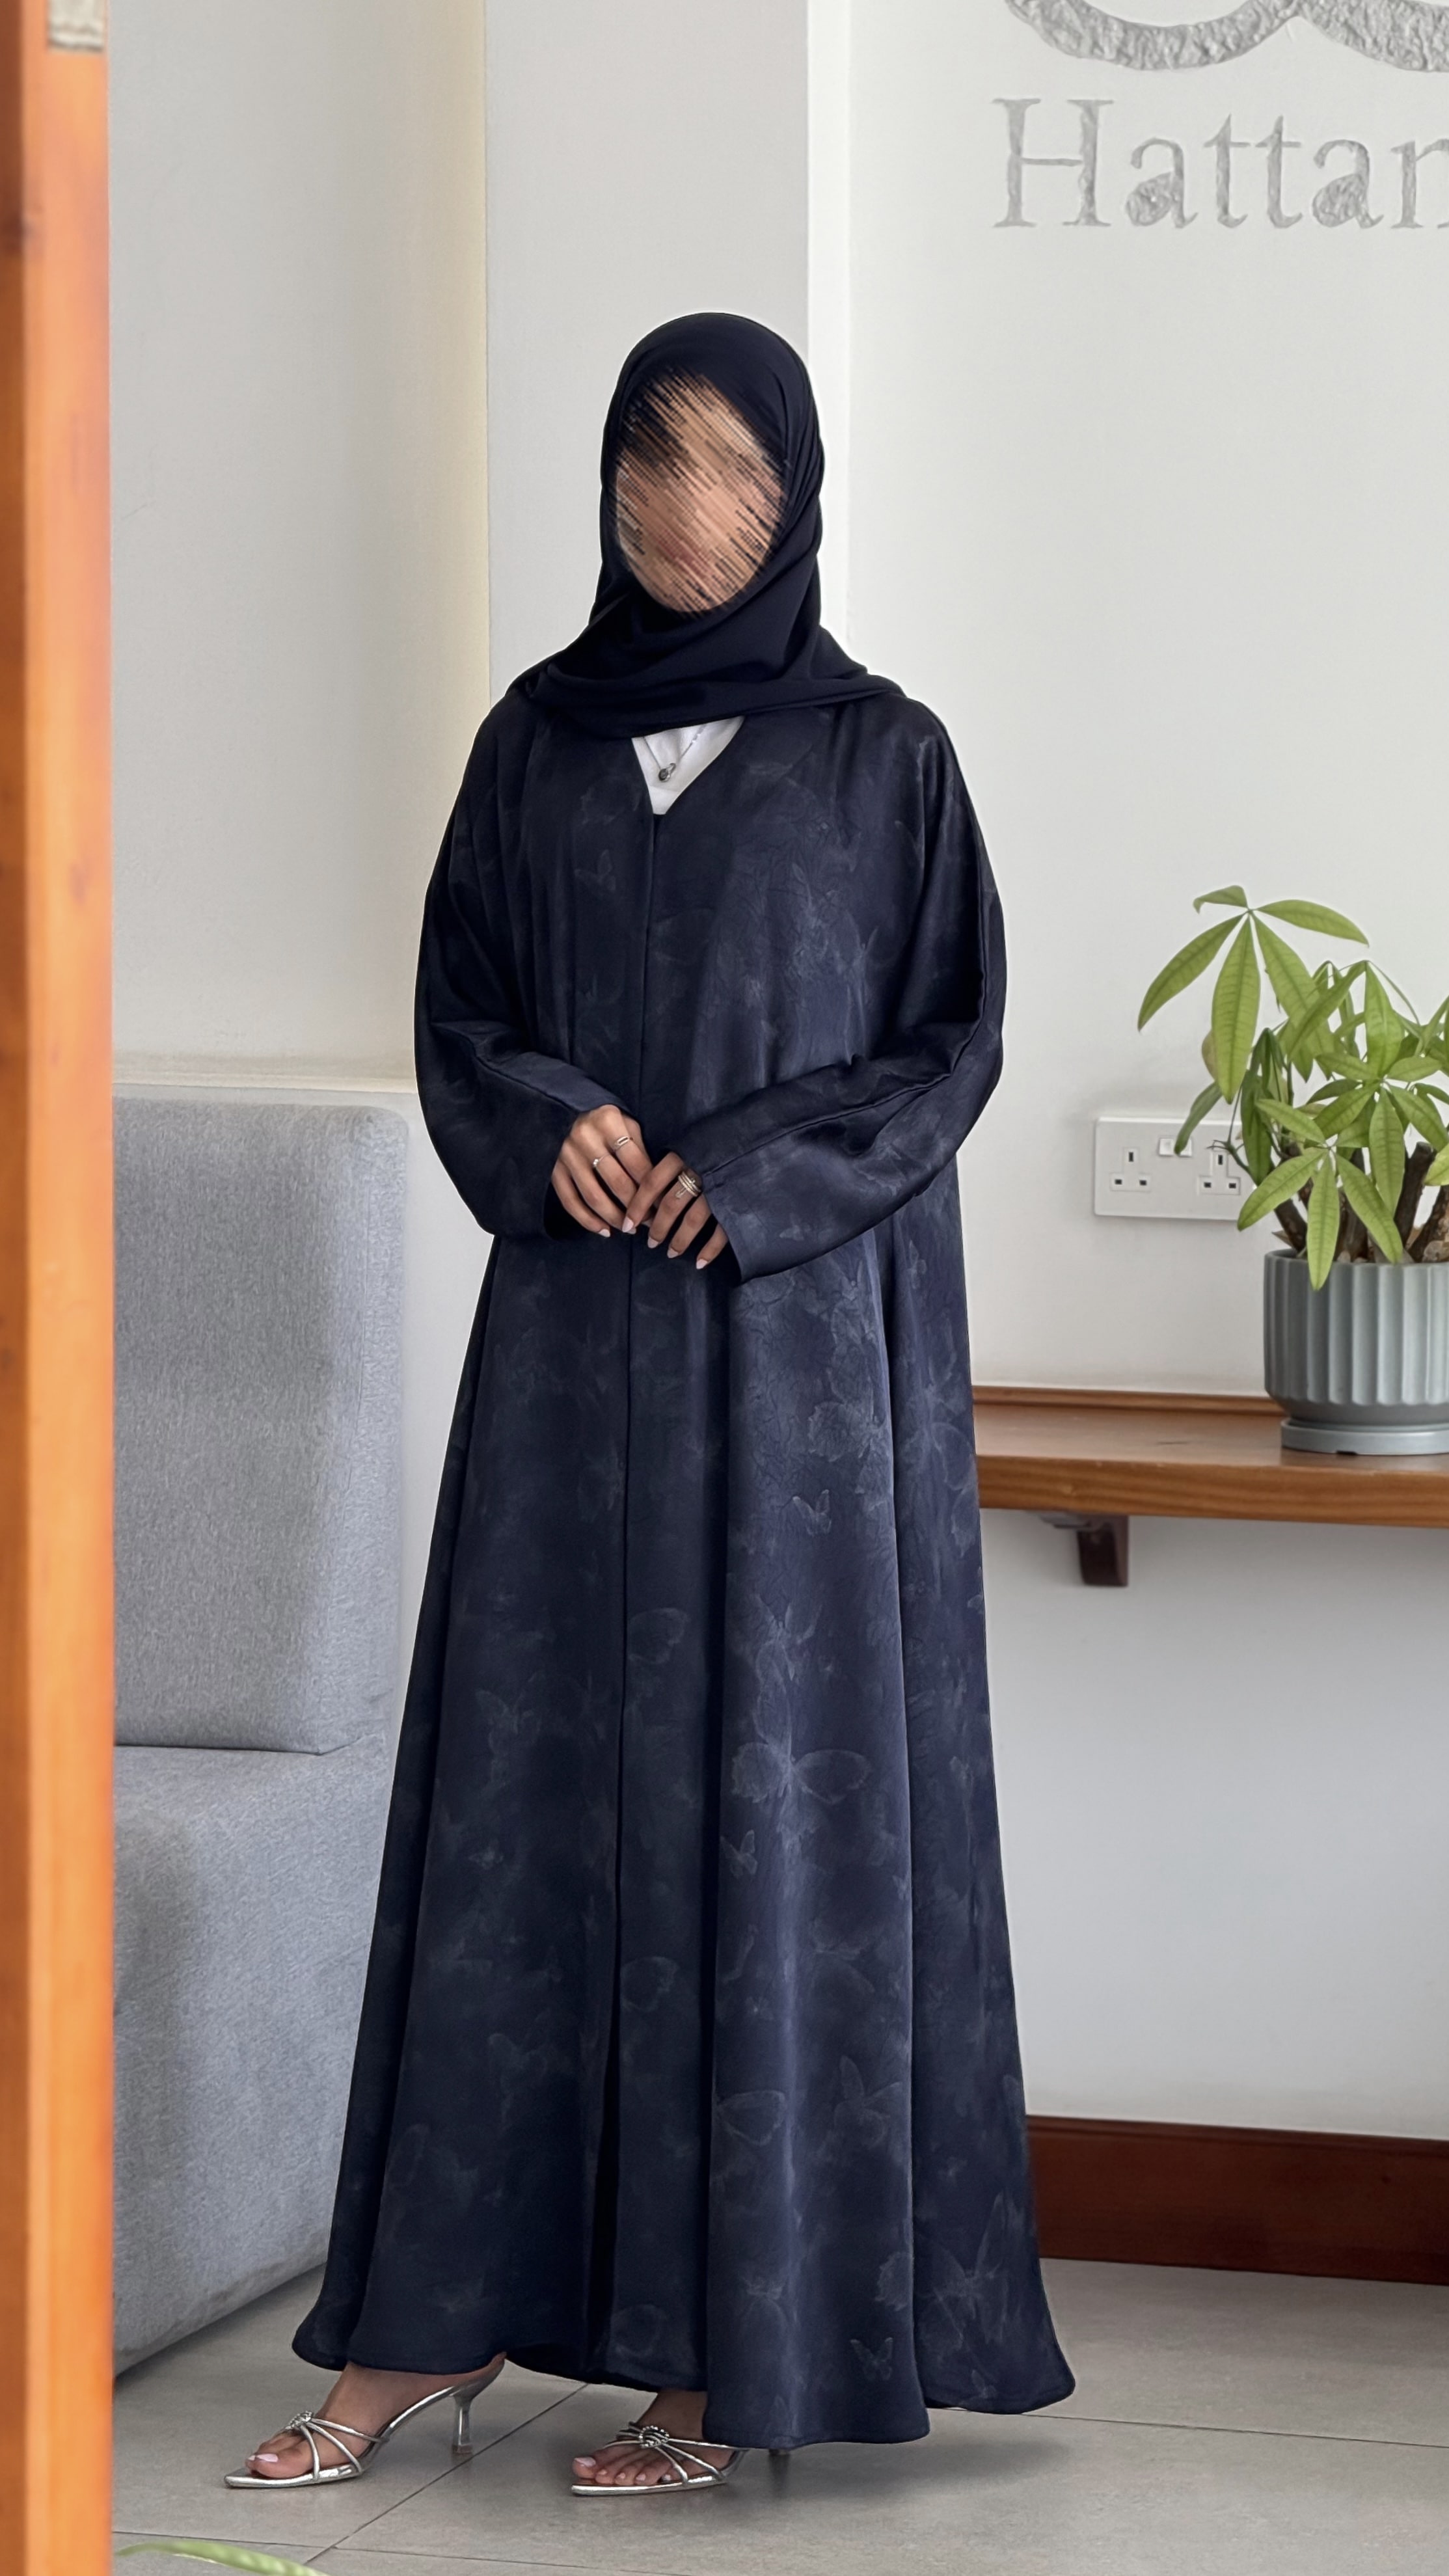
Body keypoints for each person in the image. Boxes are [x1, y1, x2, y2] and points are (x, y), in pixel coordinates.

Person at [230, 312, 1072, 2499]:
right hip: (570, 1379)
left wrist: (753, 1171)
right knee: (521, 1811)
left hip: (792, 1394)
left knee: (760, 1811)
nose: (680, 508)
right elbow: (463, 1011)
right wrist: (551, 1118)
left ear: (792, 495)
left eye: (724, 467)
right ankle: (417, 2330)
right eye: (646, 461)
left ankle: (718, 2354)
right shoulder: (531, 745)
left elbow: (949, 1046)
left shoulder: (884, 759)